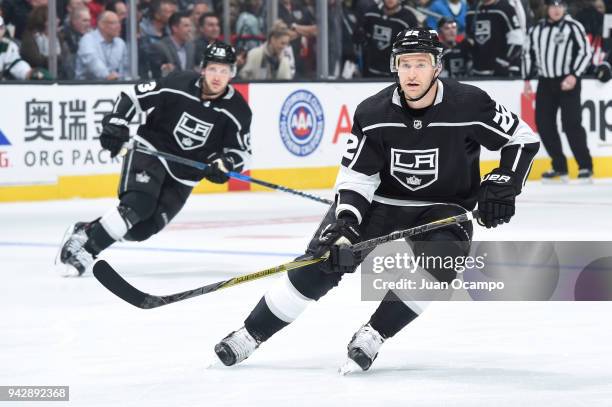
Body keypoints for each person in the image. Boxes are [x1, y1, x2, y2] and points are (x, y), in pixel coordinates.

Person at [213, 28, 539, 371]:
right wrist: (346, 223)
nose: (412, 73)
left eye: (421, 64)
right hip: (380, 202)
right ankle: (250, 334)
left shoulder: (471, 103)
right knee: (323, 260)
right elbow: (357, 177)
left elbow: (521, 138)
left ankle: (374, 335)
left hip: (443, 207)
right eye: (404, 64)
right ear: (394, 67)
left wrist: (504, 183)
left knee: (441, 262)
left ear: (437, 67)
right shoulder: (373, 113)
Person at [58, 42, 252, 277]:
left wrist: (225, 163)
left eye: (224, 70)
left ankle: (88, 231)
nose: (218, 76)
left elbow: (241, 152)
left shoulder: (238, 110)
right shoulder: (177, 83)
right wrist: (117, 121)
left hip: (186, 174)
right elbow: (134, 97)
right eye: (213, 69)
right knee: (138, 205)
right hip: (151, 151)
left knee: (141, 230)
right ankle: (86, 253)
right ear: (203, 68)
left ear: (232, 73)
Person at [523, 0, 593, 183]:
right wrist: (527, 79)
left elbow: (586, 52)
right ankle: (559, 166)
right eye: (553, 6)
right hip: (545, 82)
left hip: (568, 81)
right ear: (547, 8)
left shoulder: (573, 26)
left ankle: (585, 166)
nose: (556, 9)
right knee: (544, 124)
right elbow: (527, 52)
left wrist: (574, 75)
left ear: (565, 8)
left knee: (571, 124)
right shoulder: (537, 29)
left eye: (560, 5)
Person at [358, 0, 419, 77]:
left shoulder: (409, 18)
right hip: (371, 71)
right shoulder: (370, 13)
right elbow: (360, 37)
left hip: (395, 74)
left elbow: (413, 47)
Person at [465, 0, 524, 77]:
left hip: (500, 73)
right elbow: (469, 38)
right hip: (477, 72)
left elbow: (517, 41)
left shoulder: (506, 9)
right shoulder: (471, 12)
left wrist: (503, 61)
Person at [75, 11, 128, 80]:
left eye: (119, 22)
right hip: (86, 87)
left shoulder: (120, 43)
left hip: (114, 86)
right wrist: (107, 75)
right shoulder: (87, 39)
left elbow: (124, 68)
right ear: (101, 24)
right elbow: (92, 62)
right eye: (113, 23)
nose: (118, 26)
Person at [149, 11, 195, 79]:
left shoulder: (191, 46)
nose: (190, 29)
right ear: (175, 28)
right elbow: (157, 75)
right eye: (186, 26)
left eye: (190, 26)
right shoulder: (159, 47)